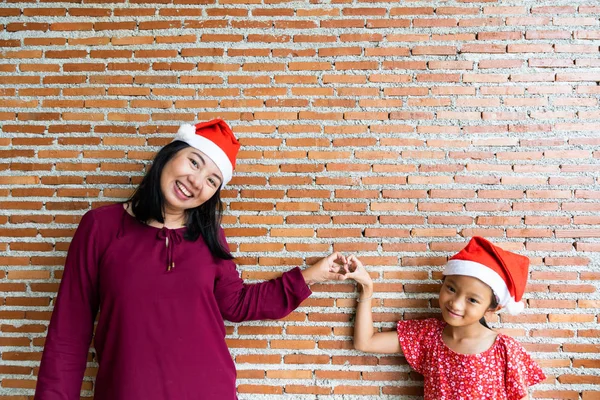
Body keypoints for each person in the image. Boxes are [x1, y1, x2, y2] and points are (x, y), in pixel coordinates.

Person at [34, 119, 348, 400]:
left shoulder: (210, 237)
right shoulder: (100, 227)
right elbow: (68, 334)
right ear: (170, 155)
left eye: (212, 180)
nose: (197, 182)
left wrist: (310, 276)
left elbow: (236, 304)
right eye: (194, 163)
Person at [343, 236, 546, 399]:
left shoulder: (505, 350)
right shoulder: (428, 336)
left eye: (473, 300)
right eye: (451, 288)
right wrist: (366, 287)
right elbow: (365, 342)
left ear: (493, 307)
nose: (455, 303)